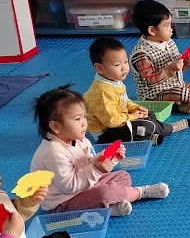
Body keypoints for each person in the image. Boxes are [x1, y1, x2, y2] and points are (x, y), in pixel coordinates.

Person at [30, 85, 169, 217]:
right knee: (105, 192)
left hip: (83, 186)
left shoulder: (77, 138)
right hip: (64, 202)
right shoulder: (53, 153)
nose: (84, 123)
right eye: (77, 119)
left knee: (123, 176)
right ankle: (140, 193)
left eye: (84, 116)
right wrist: (97, 169)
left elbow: (87, 161)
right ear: (56, 127)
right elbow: (70, 186)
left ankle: (111, 205)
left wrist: (108, 158)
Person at [84, 36, 190, 144]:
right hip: (106, 134)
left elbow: (124, 102)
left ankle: (149, 136)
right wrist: (133, 116)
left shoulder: (113, 81)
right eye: (117, 65)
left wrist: (136, 108)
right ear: (99, 68)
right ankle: (169, 128)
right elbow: (111, 121)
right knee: (140, 124)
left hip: (120, 121)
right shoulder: (102, 91)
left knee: (147, 113)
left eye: (125, 62)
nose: (124, 67)